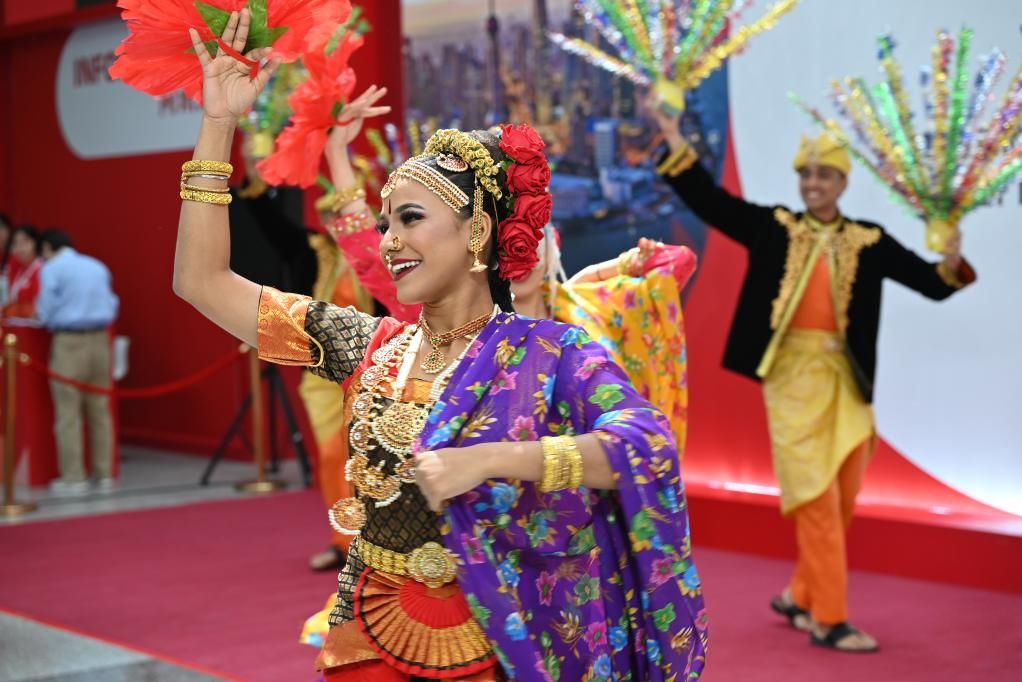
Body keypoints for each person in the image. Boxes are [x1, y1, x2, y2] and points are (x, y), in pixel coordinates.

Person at [174, 11, 707, 680]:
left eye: (410, 219)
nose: (389, 241)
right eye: (386, 223)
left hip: (502, 639)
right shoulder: (370, 346)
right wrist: (217, 122)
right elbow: (201, 283)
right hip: (367, 634)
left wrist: (492, 459)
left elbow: (647, 447)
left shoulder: (553, 354)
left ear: (477, 230)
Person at [650, 99, 975, 653]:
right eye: (807, 174)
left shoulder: (867, 240)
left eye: (825, 175)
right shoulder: (774, 227)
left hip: (846, 380)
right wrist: (674, 138)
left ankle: (800, 595)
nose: (813, 184)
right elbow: (711, 202)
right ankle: (829, 618)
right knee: (818, 496)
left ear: (842, 183)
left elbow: (932, 283)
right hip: (792, 377)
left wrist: (950, 259)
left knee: (844, 491)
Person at [36, 229, 120, 495]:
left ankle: (74, 478)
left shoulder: (51, 269)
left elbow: (45, 309)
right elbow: (112, 302)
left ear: (47, 248)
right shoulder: (96, 265)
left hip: (69, 341)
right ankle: (104, 474)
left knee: (68, 412)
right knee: (100, 411)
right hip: (100, 340)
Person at [3, 225, 44, 319]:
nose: (20, 247)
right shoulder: (17, 269)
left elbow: (39, 307)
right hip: (16, 322)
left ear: (36, 243)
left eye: (25, 241)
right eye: (16, 243)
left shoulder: (43, 269)